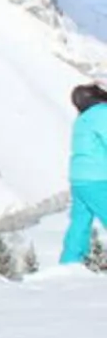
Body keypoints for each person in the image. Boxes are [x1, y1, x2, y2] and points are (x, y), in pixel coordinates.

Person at [62, 83, 107, 264]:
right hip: (98, 180)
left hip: (79, 181)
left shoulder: (82, 119)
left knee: (79, 225)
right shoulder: (102, 113)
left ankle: (68, 264)